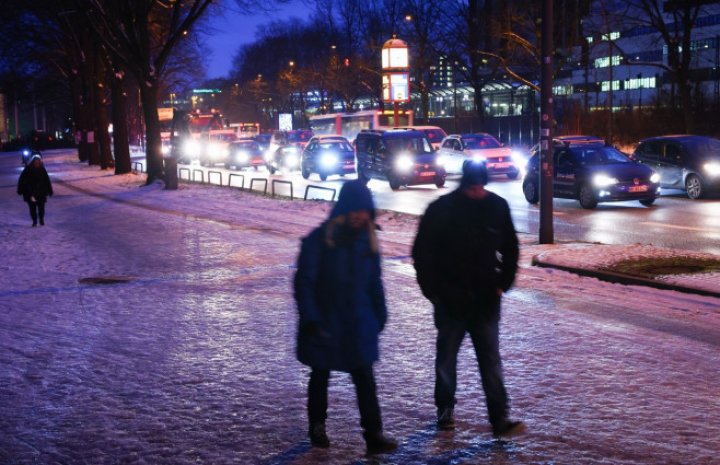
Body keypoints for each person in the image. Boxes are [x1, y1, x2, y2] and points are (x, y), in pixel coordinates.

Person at [411, 160, 525, 438]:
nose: (477, 191)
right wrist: (434, 292)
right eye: (473, 187)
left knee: (489, 362)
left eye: (480, 186)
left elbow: (511, 248)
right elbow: (422, 253)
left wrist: (503, 284)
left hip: (485, 300)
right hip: (452, 301)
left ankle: (499, 418)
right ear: (465, 184)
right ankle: (446, 410)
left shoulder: (496, 206)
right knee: (448, 360)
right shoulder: (443, 209)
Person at [294, 180, 398, 455]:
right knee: (320, 374)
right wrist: (311, 318)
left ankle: (374, 435)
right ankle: (317, 426)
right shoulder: (320, 239)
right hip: (326, 320)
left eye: (365, 211)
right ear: (345, 209)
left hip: (357, 320)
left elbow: (374, 281)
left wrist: (379, 311)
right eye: (356, 209)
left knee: (365, 378)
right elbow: (305, 281)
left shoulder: (368, 240)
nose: (360, 216)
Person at [17, 154, 53, 227]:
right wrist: (20, 190)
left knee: (41, 207)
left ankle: (41, 219)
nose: (37, 163)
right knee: (32, 208)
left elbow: (47, 180)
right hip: (30, 193)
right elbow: (22, 180)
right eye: (35, 162)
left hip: (41, 192)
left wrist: (50, 190)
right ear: (33, 162)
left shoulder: (42, 170)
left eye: (38, 162)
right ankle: (34, 221)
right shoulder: (27, 170)